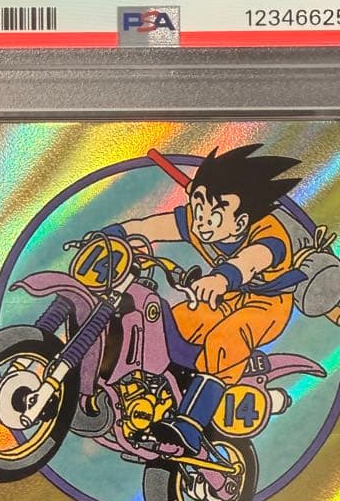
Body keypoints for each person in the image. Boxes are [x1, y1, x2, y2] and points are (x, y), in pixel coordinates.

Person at [104, 144, 305, 452]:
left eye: (214, 214)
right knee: (177, 321)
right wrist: (114, 234)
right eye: (198, 206)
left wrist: (222, 278)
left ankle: (191, 424)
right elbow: (151, 227)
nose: (201, 219)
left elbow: (252, 260)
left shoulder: (270, 235)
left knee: (227, 339)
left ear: (240, 222)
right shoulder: (198, 222)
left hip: (267, 305)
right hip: (222, 297)